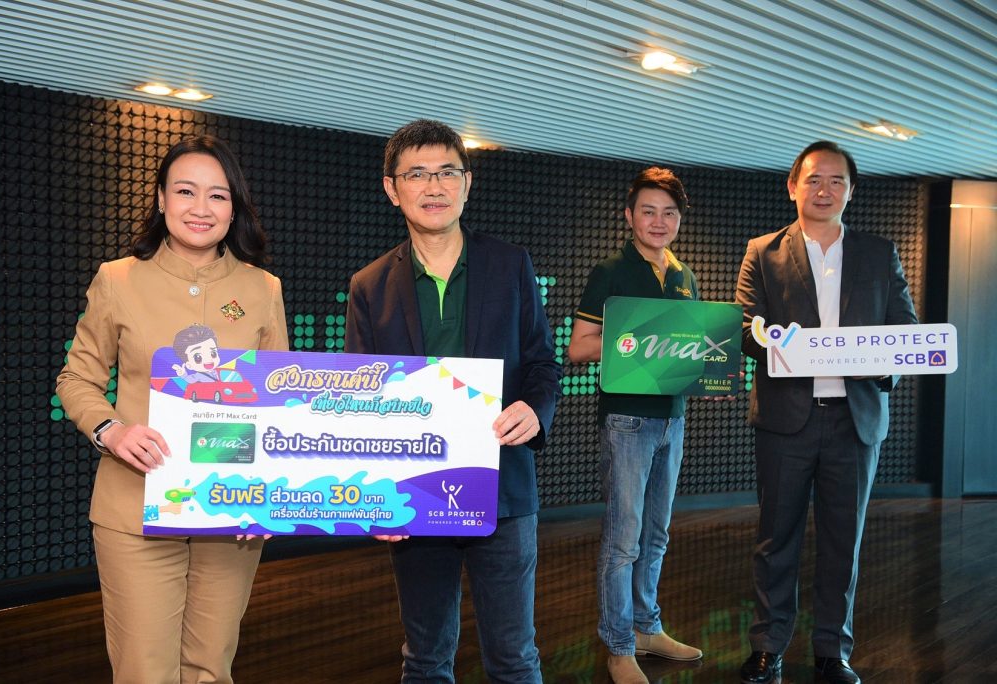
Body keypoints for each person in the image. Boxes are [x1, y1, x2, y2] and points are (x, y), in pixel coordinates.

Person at [56, 135, 289, 683]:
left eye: (217, 195)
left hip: (230, 512)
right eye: (185, 191)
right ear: (161, 199)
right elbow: (77, 378)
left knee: (211, 668)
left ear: (234, 208)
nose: (200, 208)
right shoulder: (117, 279)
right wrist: (112, 430)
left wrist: (269, 500)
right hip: (134, 509)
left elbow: (277, 402)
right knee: (145, 671)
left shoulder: (263, 288)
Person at [344, 119, 561, 683]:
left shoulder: (511, 264)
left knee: (514, 657)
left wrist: (534, 410)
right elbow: (360, 400)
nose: (433, 186)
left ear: (467, 182)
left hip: (503, 491)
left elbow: (542, 363)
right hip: (412, 497)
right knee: (425, 658)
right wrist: (373, 499)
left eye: (446, 172)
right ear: (392, 189)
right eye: (417, 174)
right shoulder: (369, 285)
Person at [734, 141, 917, 684]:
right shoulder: (762, 251)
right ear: (793, 186)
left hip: (854, 422)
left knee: (844, 541)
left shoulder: (879, 252)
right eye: (814, 179)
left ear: (850, 191)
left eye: (837, 181)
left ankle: (832, 652)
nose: (824, 190)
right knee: (775, 539)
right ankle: (768, 647)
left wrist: (882, 369)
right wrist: (774, 342)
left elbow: (905, 332)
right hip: (785, 420)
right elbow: (745, 328)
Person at [567, 167, 704, 684]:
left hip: (673, 420)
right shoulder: (610, 272)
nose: (658, 221)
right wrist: (635, 343)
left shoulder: (686, 277)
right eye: (648, 211)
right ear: (629, 216)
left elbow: (691, 352)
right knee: (623, 540)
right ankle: (619, 644)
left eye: (668, 213)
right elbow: (578, 348)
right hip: (626, 421)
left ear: (679, 220)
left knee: (657, 534)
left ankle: (647, 627)